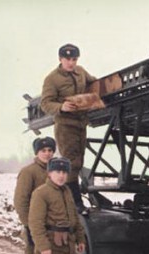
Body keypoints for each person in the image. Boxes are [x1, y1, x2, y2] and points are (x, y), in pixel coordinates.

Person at [40, 43, 97, 211]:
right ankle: (75, 203)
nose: (71, 63)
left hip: (81, 123)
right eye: (67, 59)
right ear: (60, 59)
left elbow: (93, 82)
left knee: (79, 161)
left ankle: (73, 197)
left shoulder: (81, 72)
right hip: (65, 125)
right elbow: (45, 103)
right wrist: (61, 107)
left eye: (74, 59)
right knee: (71, 162)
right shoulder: (52, 79)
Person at [13, 137, 56, 254]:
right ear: (36, 152)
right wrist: (29, 227)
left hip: (52, 228)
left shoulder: (55, 172)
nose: (47, 153)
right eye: (43, 150)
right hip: (35, 227)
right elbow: (20, 202)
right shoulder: (28, 172)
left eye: (50, 150)